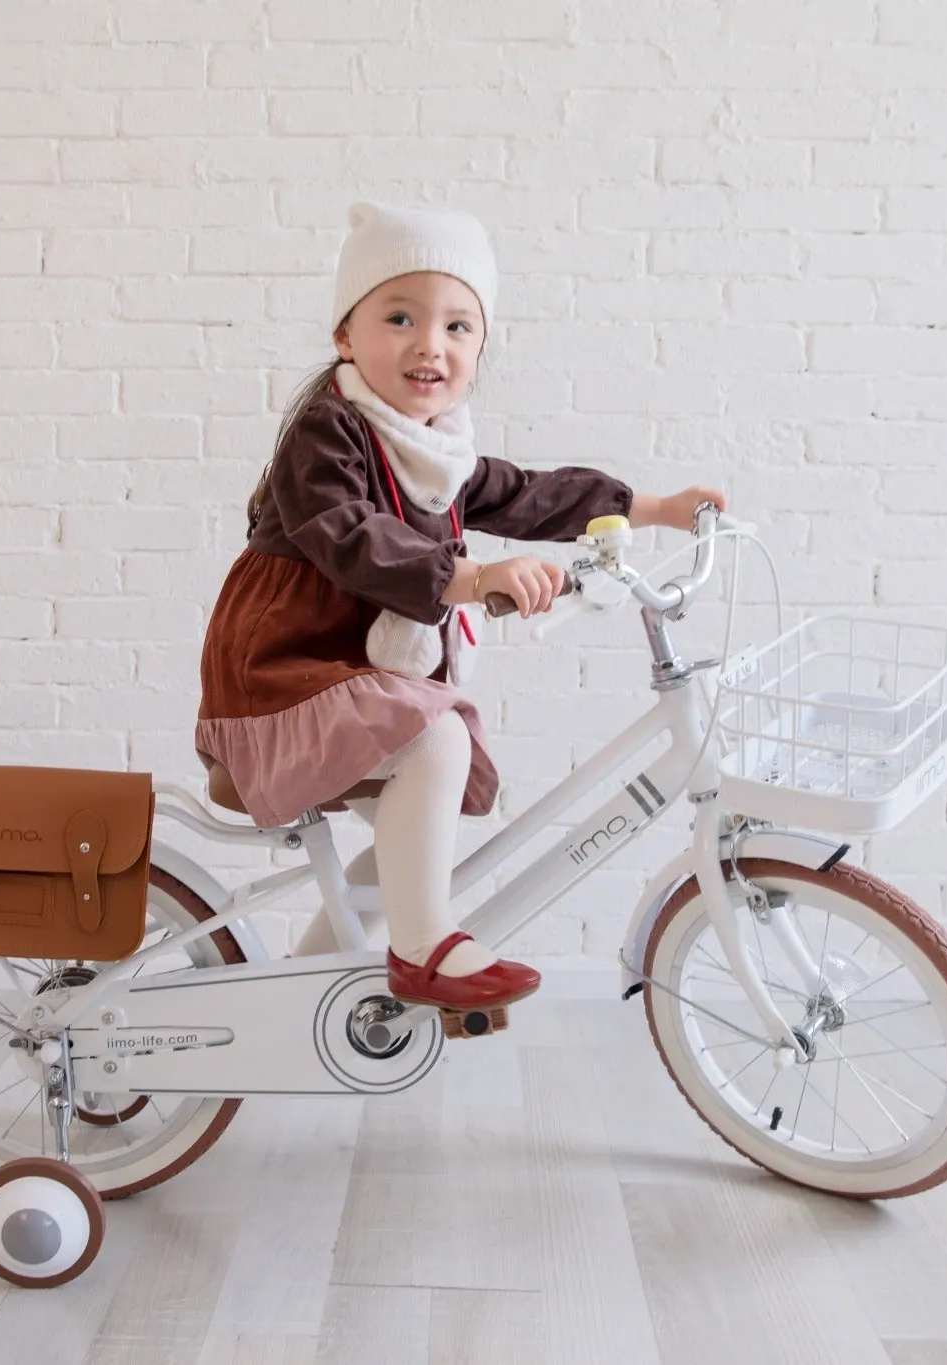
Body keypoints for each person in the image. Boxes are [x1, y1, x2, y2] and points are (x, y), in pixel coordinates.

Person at [196, 201, 726, 1017]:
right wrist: (472, 578)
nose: (428, 345)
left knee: (413, 813)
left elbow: (527, 495)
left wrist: (655, 508)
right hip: (281, 673)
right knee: (434, 735)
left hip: (345, 675)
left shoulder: (434, 446)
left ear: (479, 347)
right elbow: (352, 537)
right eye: (399, 317)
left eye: (457, 326)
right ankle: (422, 950)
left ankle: (298, 1000)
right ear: (345, 334)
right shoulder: (326, 434)